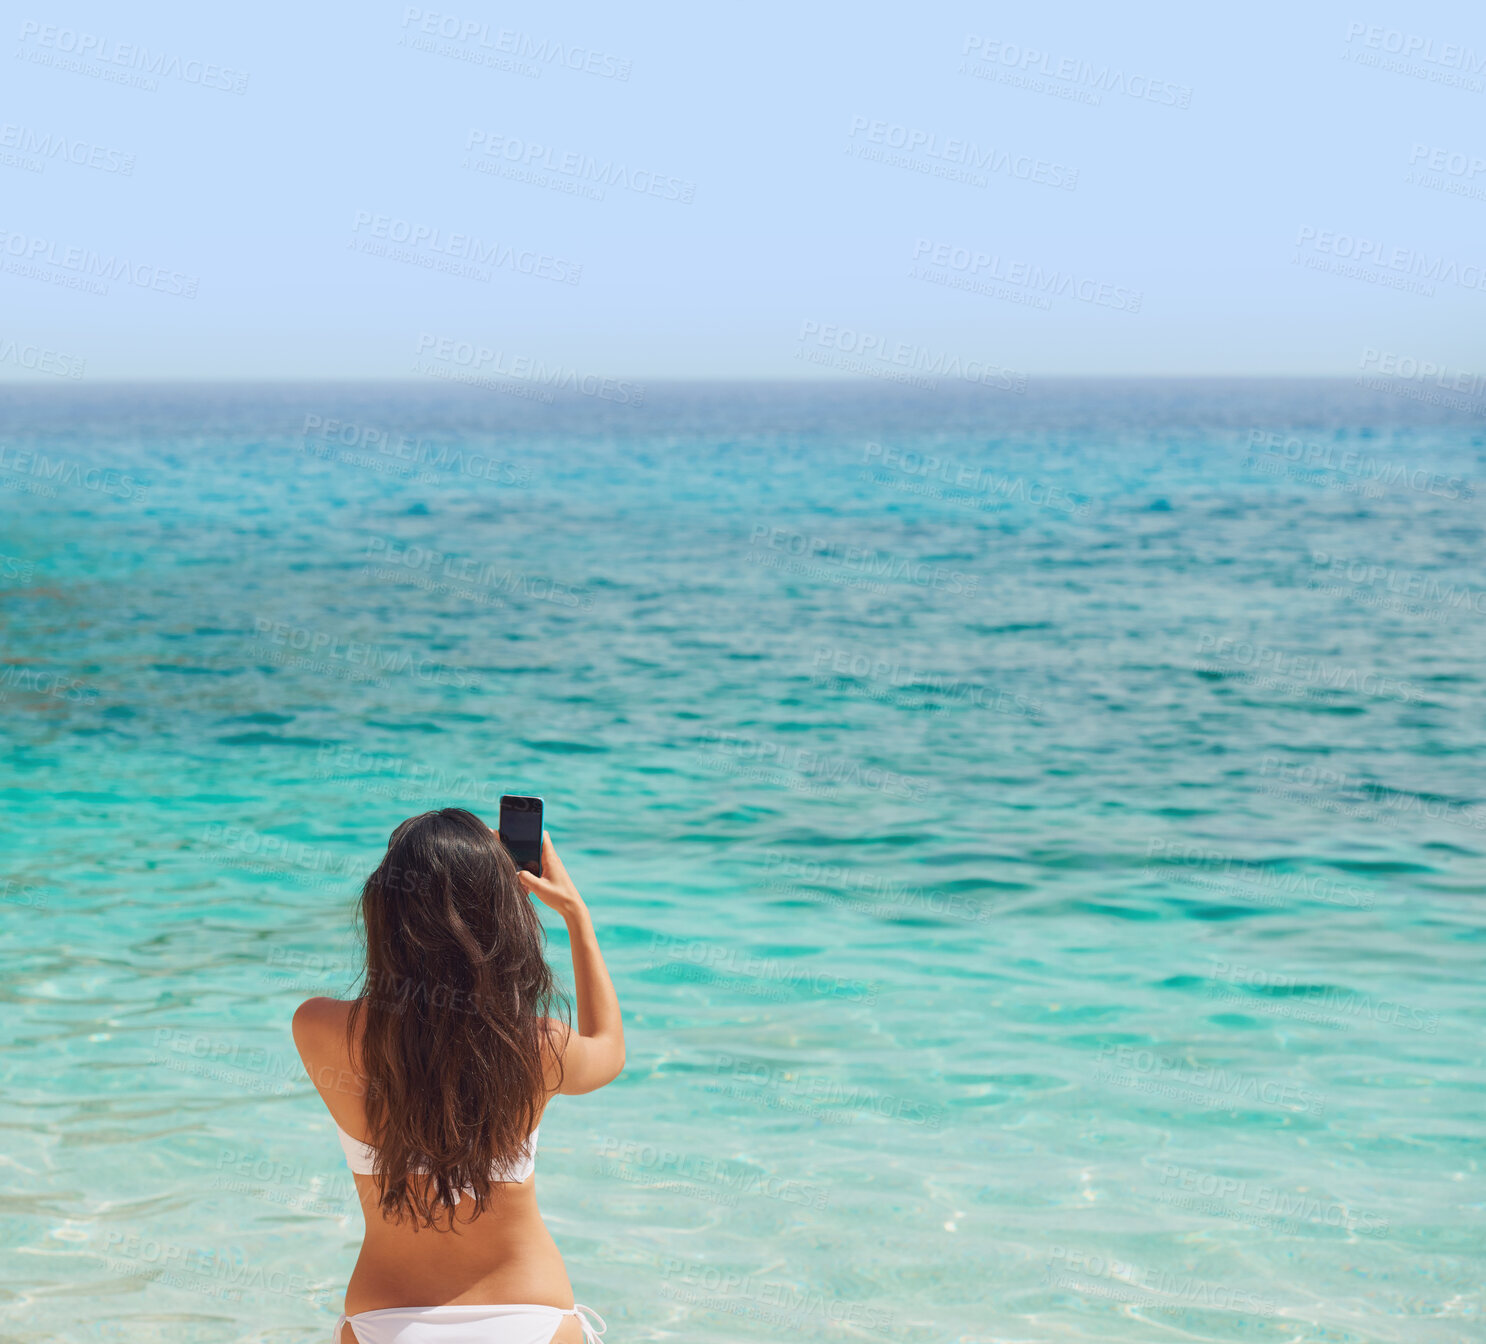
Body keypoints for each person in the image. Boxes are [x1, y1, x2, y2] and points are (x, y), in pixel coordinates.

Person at [291, 809, 624, 1343]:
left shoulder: (320, 1028)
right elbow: (609, 1050)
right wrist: (575, 915)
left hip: (385, 1321)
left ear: (386, 913)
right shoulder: (536, 1046)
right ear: (501, 919)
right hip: (531, 1316)